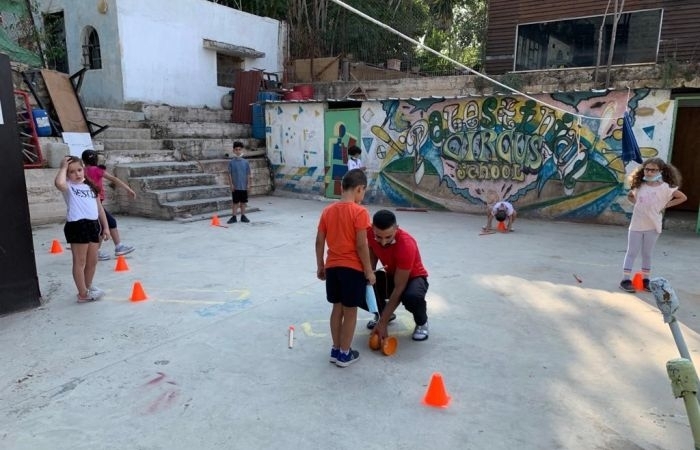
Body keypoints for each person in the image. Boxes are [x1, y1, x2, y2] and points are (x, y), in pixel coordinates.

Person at [315, 169, 376, 367]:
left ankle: (335, 349)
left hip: (332, 267)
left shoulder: (328, 211)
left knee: (337, 309)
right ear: (360, 189)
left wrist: (320, 265)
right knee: (350, 312)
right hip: (352, 269)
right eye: (363, 192)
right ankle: (344, 353)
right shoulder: (360, 212)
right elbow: (361, 244)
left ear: (342, 187)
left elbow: (319, 241)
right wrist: (368, 270)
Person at [619, 158, 687, 293]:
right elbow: (630, 196)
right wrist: (638, 205)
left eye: (653, 170)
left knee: (647, 254)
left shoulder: (666, 188)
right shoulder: (639, 185)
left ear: (660, 171)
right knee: (631, 252)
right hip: (637, 225)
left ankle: (645, 280)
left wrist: (666, 205)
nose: (649, 172)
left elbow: (682, 197)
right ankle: (625, 279)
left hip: (653, 226)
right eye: (647, 169)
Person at [366, 209, 430, 341]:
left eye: (388, 237)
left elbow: (399, 287)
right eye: (378, 237)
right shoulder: (369, 234)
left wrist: (382, 324)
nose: (383, 242)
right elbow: (372, 254)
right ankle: (383, 314)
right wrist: (369, 275)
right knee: (363, 283)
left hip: (414, 278)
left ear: (396, 229)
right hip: (391, 274)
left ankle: (422, 322)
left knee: (411, 297)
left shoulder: (406, 244)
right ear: (373, 229)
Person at [55, 156, 110, 303]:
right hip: (77, 225)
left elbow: (99, 209)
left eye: (79, 170)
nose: (77, 174)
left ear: (84, 168)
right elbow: (59, 183)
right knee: (80, 261)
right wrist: (62, 168)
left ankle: (88, 286)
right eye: (72, 172)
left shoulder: (90, 186)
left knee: (93, 261)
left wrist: (105, 227)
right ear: (67, 174)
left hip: (93, 225)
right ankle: (82, 294)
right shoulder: (68, 186)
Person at [81, 150, 136, 261]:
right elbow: (114, 179)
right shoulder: (97, 170)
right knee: (105, 226)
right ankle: (99, 251)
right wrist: (129, 189)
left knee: (107, 224)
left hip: (89, 203)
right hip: (96, 203)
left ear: (83, 160)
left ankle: (116, 247)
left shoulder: (82, 171)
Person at [227, 141, 253, 224]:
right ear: (234, 150)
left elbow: (248, 174)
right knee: (235, 202)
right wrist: (231, 184)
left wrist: (249, 184)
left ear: (242, 150)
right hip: (235, 186)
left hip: (244, 186)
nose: (238, 151)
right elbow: (229, 174)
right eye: (236, 149)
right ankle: (234, 216)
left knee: (243, 202)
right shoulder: (231, 162)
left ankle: (243, 216)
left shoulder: (245, 162)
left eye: (239, 149)